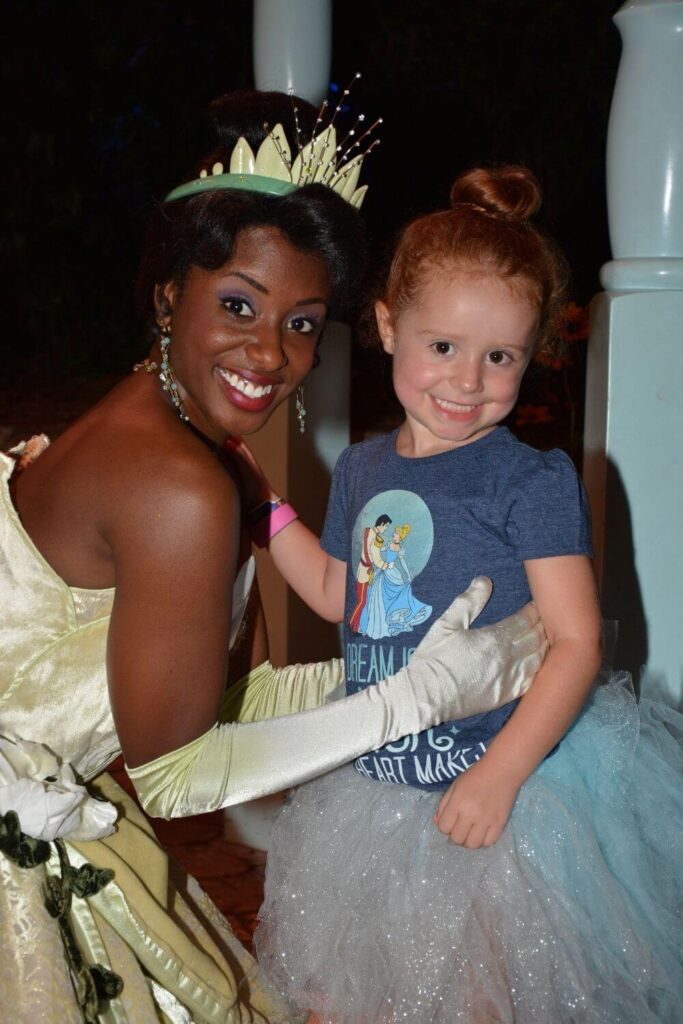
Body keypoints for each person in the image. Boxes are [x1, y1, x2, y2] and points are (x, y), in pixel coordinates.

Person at [0, 94, 548, 1024]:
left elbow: (226, 705)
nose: (270, 352)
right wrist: (410, 702)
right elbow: (174, 778)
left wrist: (416, 674)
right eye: (239, 305)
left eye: (301, 322)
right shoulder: (177, 486)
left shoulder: (183, 443)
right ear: (170, 296)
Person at [252, 166, 683, 1022]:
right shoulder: (364, 467)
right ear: (386, 326)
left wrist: (498, 776)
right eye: (442, 346)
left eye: (501, 357)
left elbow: (574, 643)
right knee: (348, 992)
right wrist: (257, 514)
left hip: (502, 786)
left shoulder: (530, 481)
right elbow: (342, 594)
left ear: (531, 355)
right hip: (378, 782)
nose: (467, 380)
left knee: (481, 997)